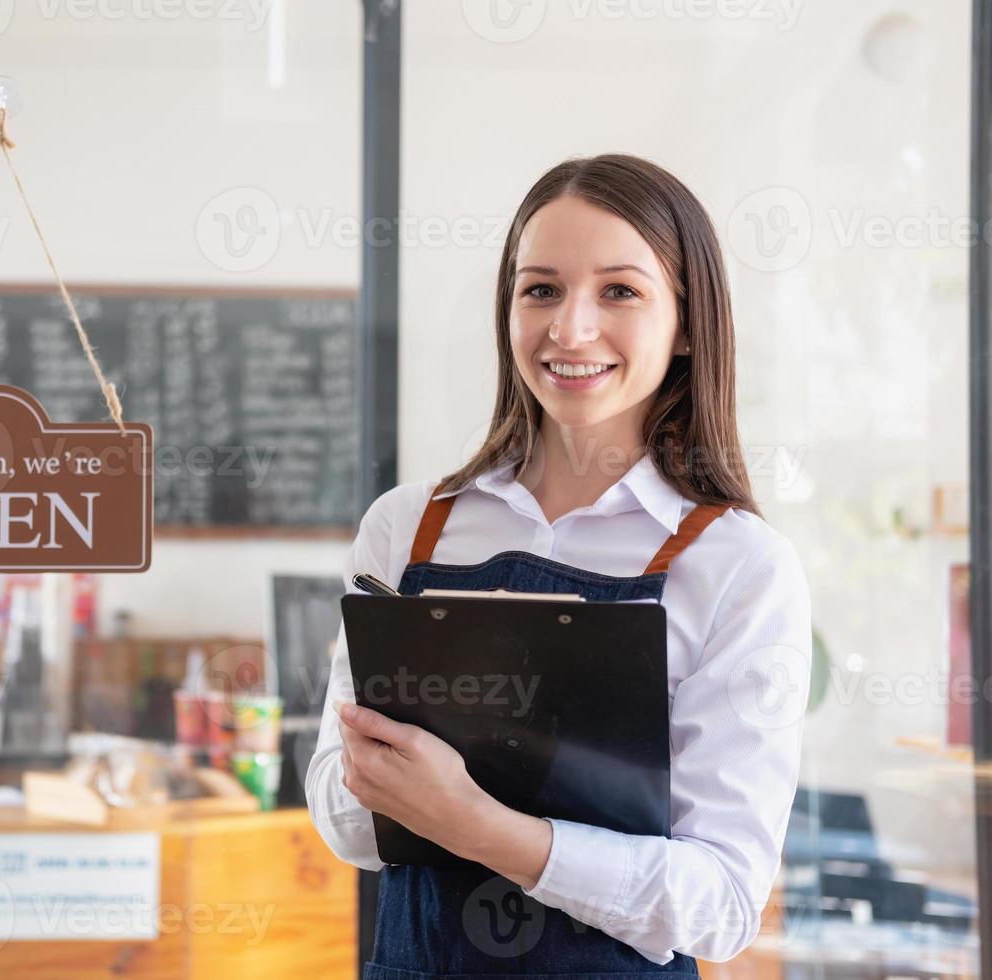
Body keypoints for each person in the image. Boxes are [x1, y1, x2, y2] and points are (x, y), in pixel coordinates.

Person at [305, 153, 812, 977]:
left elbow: (722, 905)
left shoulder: (737, 565)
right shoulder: (407, 530)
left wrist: (478, 823)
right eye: (540, 288)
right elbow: (338, 817)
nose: (570, 329)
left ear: (687, 325)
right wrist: (382, 782)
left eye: (620, 291)